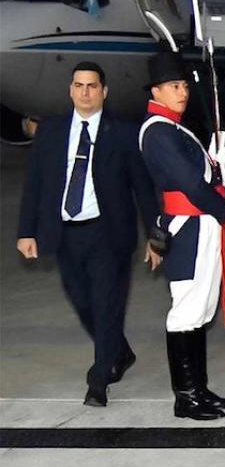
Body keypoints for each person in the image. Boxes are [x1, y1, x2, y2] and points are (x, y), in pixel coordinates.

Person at [16, 62, 160, 407]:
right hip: (65, 234)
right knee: (83, 303)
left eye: (92, 86)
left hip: (108, 234)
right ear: (70, 90)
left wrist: (155, 237)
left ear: (103, 91)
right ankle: (120, 351)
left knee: (106, 305)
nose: (85, 92)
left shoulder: (123, 134)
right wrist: (26, 232)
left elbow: (143, 188)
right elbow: (34, 184)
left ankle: (99, 380)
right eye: (78, 85)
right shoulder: (51, 132)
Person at [139, 51, 225, 420]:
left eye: (183, 85)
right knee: (184, 312)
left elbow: (202, 175)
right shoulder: (157, 131)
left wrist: (216, 163)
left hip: (202, 226)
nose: (182, 92)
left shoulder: (177, 127)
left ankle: (199, 389)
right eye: (173, 86)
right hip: (189, 229)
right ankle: (185, 396)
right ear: (156, 91)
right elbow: (190, 185)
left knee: (200, 310)